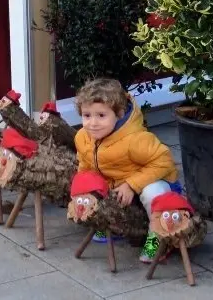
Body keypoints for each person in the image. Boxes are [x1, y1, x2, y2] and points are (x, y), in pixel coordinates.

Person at [74, 78, 179, 263]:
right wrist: (81, 188)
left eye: (101, 115)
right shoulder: (83, 137)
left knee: (152, 192)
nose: (93, 123)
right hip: (116, 184)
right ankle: (115, 225)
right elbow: (85, 164)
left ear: (119, 113)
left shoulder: (135, 139)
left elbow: (164, 161)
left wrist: (131, 185)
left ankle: (160, 238)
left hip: (154, 181)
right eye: (86, 115)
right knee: (93, 183)